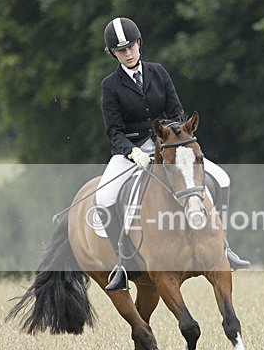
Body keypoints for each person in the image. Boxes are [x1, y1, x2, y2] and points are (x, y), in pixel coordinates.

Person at [97, 17, 249, 291]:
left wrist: (169, 138)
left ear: (139, 44)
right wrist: (132, 152)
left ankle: (223, 246)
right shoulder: (111, 86)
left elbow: (176, 112)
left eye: (131, 47)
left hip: (169, 147)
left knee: (222, 179)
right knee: (104, 196)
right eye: (121, 51)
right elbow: (114, 130)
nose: (128, 53)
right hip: (131, 151)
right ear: (114, 54)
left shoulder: (158, 72)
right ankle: (122, 264)